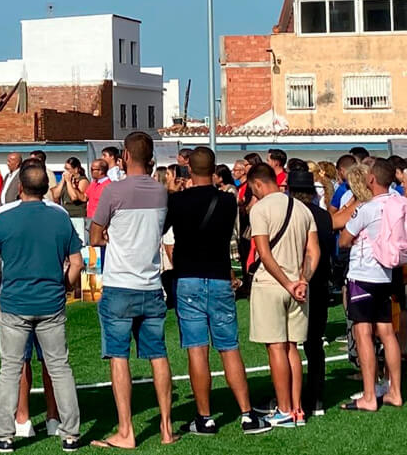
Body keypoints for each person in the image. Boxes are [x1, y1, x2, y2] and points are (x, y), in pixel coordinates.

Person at [165, 146, 272, 435]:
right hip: (219, 277)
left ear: (189, 170)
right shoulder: (226, 202)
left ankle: (205, 417)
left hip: (188, 277)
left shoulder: (177, 201)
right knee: (229, 348)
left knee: (197, 350)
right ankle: (247, 414)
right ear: (214, 170)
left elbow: (163, 229)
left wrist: (172, 190)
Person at [0, 162, 83, 452]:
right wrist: (64, 286)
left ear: (20, 188)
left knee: (10, 370)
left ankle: (4, 434)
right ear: (45, 188)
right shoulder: (60, 217)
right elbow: (77, 262)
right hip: (51, 302)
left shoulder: (3, 217)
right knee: (60, 367)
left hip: (14, 303)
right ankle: (70, 433)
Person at [90, 131, 178, 448]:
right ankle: (167, 429)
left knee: (118, 357)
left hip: (119, 284)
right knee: (158, 355)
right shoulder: (161, 192)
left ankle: (126, 431)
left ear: (125, 156)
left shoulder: (114, 191)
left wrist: (111, 238)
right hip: (151, 284)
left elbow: (95, 235)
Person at [246, 162, 320, 427]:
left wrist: (288, 283)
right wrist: (302, 280)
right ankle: (297, 408)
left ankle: (285, 408)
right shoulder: (303, 210)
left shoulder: (260, 210)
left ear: (257, 184)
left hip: (272, 285)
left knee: (276, 348)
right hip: (299, 287)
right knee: (292, 348)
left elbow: (263, 253)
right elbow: (314, 251)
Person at [339, 158, 404, 411]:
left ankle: (368, 395)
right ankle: (395, 391)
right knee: (388, 333)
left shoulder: (367, 208)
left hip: (363, 274)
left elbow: (344, 239)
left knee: (363, 332)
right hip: (387, 274)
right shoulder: (400, 204)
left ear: (371, 179)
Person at [286, 166, 333, 417]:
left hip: (296, 283)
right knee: (314, 344)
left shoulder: (293, 215)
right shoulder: (323, 216)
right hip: (321, 283)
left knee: (288, 343)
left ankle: (289, 397)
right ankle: (316, 396)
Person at [52, 157, 89, 244]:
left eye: (68, 169)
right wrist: (62, 181)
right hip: (66, 214)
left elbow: (74, 197)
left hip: (77, 215)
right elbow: (55, 195)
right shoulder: (65, 181)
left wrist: (69, 183)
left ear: (76, 169)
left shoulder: (83, 181)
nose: (66, 171)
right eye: (65, 169)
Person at [84, 160, 110, 246]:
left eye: (92, 169)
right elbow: (84, 197)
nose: (90, 171)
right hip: (89, 219)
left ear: (101, 171)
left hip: (100, 222)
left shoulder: (108, 185)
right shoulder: (94, 183)